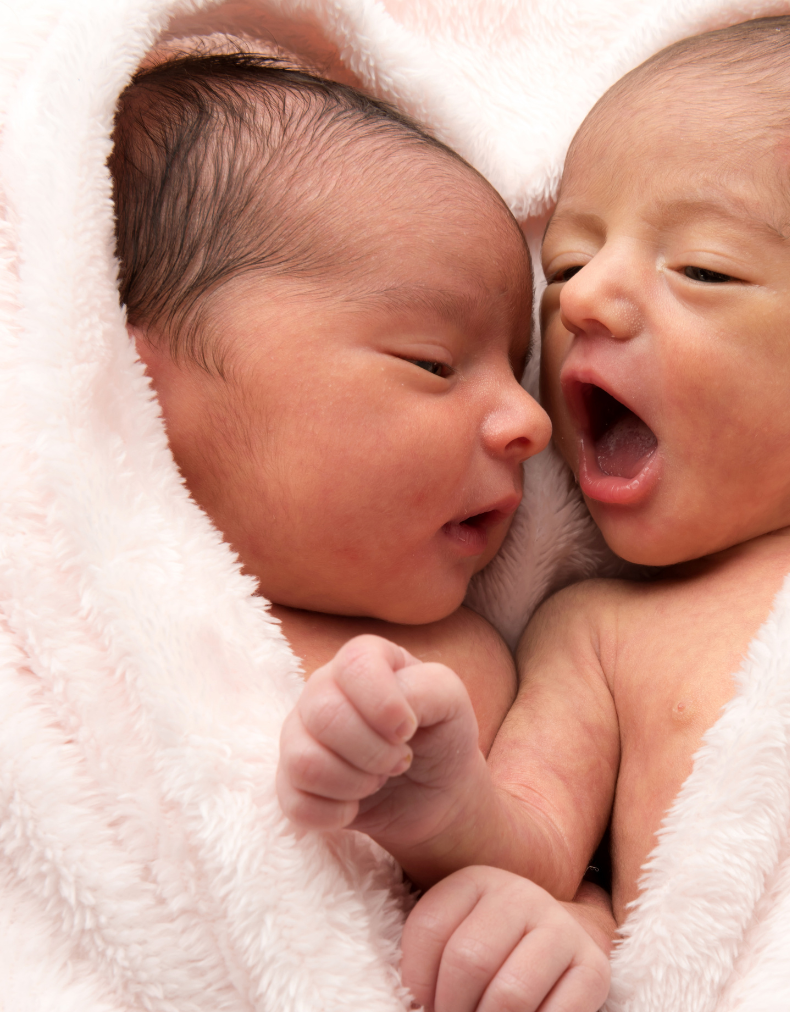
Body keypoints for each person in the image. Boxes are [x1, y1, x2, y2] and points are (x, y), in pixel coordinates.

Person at [277, 13, 790, 995]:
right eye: (565, 265)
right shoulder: (597, 630)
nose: (585, 298)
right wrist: (439, 796)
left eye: (703, 269)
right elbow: (539, 843)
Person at [111, 52, 611, 1012]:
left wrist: (557, 930)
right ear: (139, 384)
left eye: (515, 367)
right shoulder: (57, 582)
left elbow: (554, 868)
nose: (530, 422)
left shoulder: (455, 675)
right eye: (433, 363)